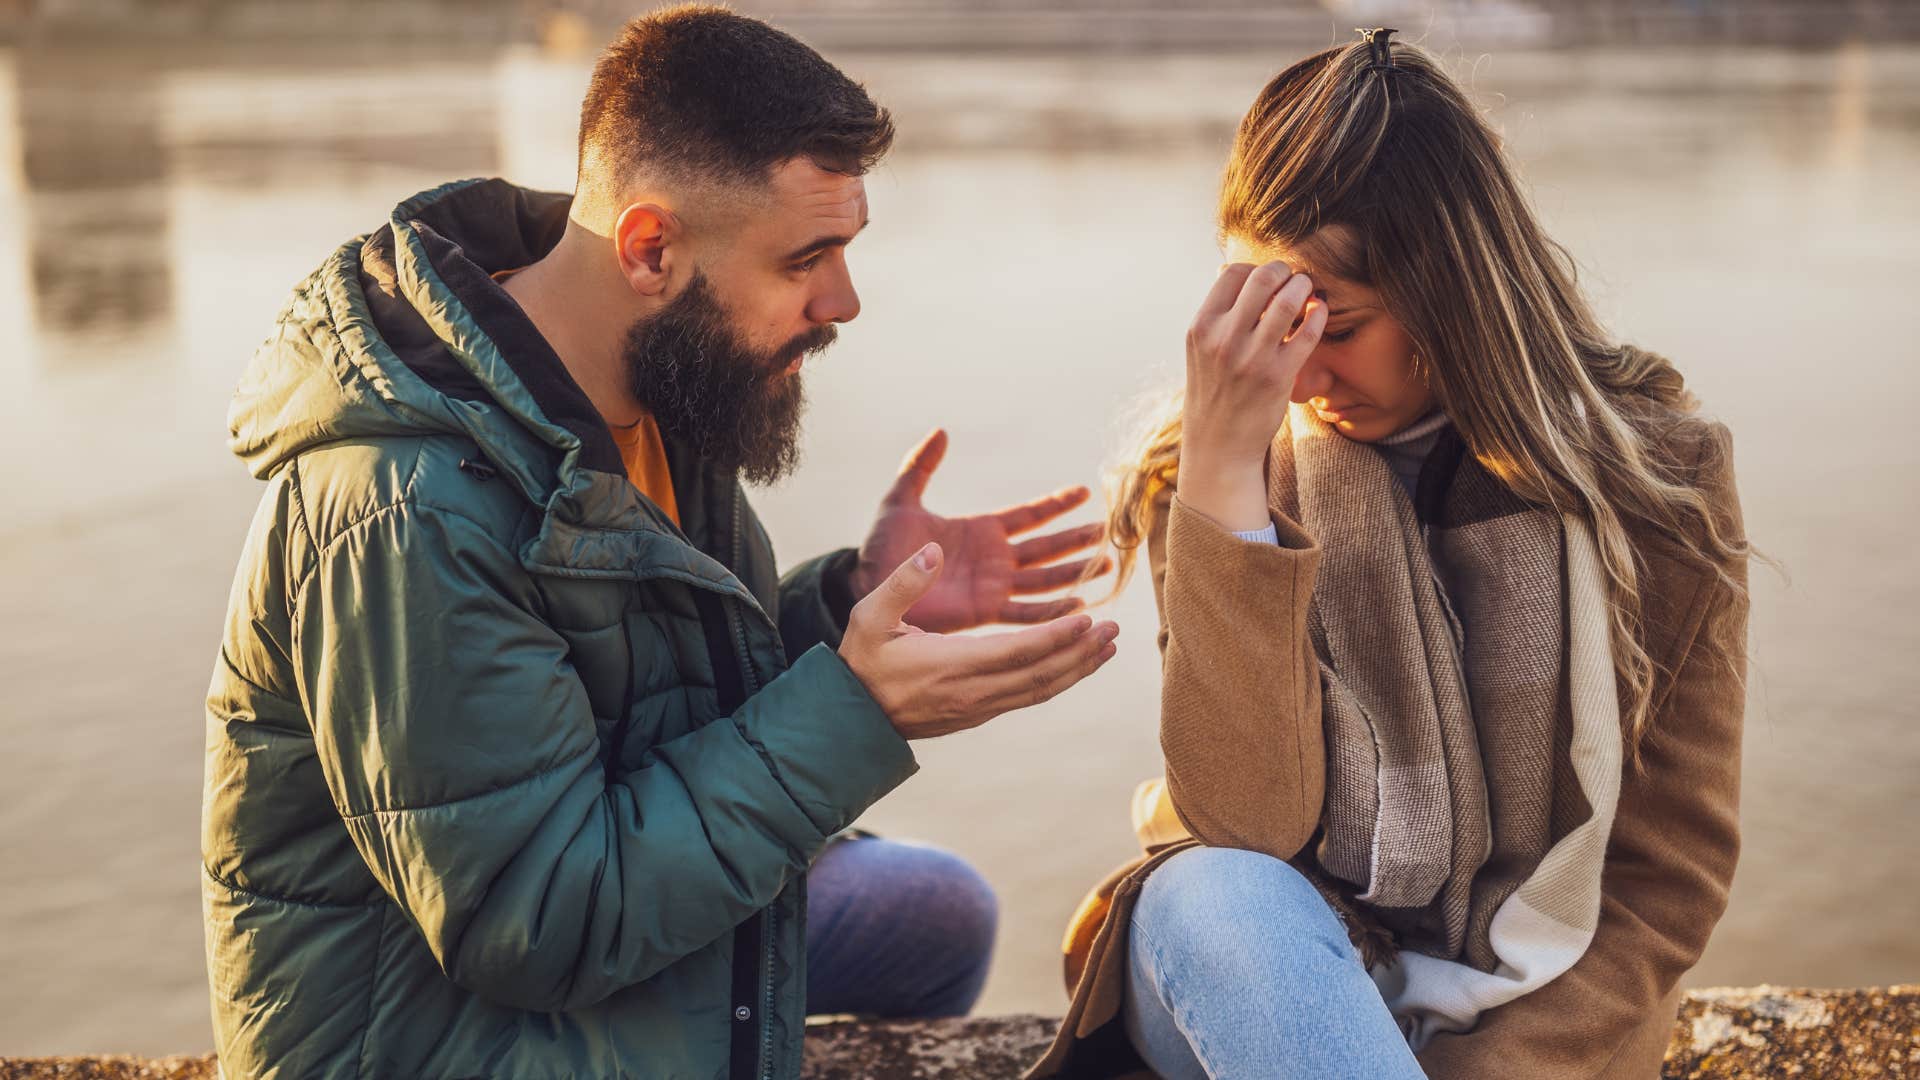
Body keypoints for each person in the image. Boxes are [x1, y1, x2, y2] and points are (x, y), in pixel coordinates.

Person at [202, 7, 1120, 1077]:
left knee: (934, 911)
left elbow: (632, 702)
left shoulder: (649, 394)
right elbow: (536, 921)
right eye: (806, 259)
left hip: (558, 912)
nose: (844, 302)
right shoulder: (406, 506)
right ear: (649, 249)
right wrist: (854, 715)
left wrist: (850, 608)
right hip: (444, 1030)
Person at [1031, 29, 1749, 1080]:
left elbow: (1664, 877)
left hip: (1538, 1018)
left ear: (1454, 294)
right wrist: (1228, 484)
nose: (1298, 370)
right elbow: (1245, 824)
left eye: (1341, 325)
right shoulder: (1217, 467)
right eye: (1274, 319)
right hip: (1253, 969)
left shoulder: (1656, 484)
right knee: (1221, 891)